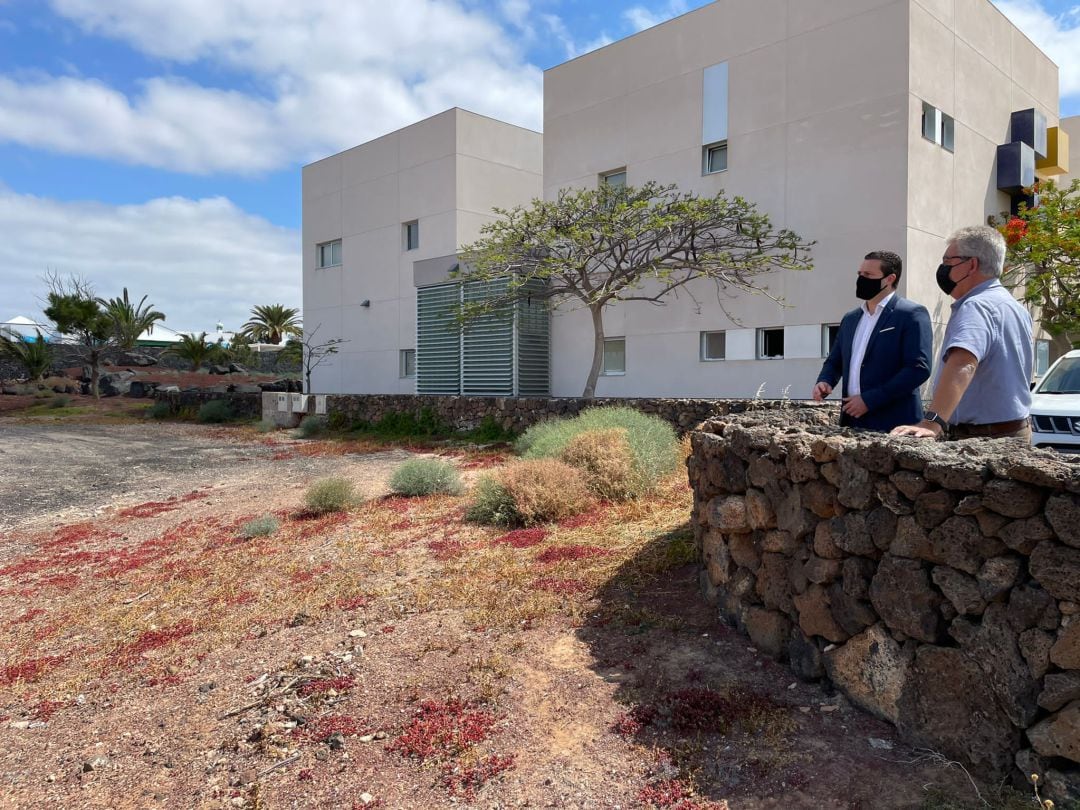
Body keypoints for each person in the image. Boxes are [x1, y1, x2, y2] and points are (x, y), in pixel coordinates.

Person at [892, 225, 1033, 441]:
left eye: (948, 261)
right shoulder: (1014, 307)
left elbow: (963, 363)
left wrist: (932, 422)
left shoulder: (976, 306)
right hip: (1014, 430)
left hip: (984, 438)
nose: (943, 268)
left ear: (971, 265)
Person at [812, 251, 933, 431]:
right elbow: (835, 360)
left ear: (890, 278)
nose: (861, 279)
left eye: (868, 275)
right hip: (851, 421)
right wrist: (825, 380)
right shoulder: (851, 318)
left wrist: (870, 400)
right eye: (860, 274)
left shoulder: (911, 314)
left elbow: (918, 369)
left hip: (896, 424)